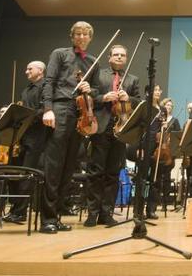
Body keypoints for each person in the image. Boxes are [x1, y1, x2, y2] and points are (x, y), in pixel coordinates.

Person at [39, 21, 100, 234]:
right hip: (60, 108)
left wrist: (89, 88)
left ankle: (56, 216)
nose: (82, 37)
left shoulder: (93, 62)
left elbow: (96, 91)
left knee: (69, 168)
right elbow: (49, 81)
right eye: (78, 34)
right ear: (72, 36)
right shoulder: (60, 54)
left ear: (90, 38)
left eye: (85, 34)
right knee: (54, 166)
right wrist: (48, 109)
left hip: (80, 113)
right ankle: (46, 218)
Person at [85, 44, 141, 227]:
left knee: (113, 173)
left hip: (121, 129)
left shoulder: (132, 80)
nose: (119, 57)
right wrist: (103, 98)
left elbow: (139, 103)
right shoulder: (98, 74)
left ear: (126, 58)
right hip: (100, 126)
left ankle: (106, 213)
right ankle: (92, 213)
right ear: (109, 57)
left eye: (122, 55)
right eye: (115, 55)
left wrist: (129, 99)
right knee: (96, 172)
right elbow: (88, 96)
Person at [4, 60, 48, 223]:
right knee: (18, 173)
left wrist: (27, 117)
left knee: (27, 174)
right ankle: (15, 208)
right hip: (22, 135)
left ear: (40, 71)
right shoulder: (26, 90)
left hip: (37, 136)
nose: (26, 71)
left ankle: (20, 211)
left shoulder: (45, 87)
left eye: (30, 69)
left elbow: (44, 110)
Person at [147, 97, 181, 217]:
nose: (169, 107)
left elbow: (178, 135)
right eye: (167, 105)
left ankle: (164, 202)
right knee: (154, 179)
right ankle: (153, 204)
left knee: (165, 178)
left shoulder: (174, 121)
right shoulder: (158, 116)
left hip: (168, 151)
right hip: (156, 149)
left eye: (171, 106)